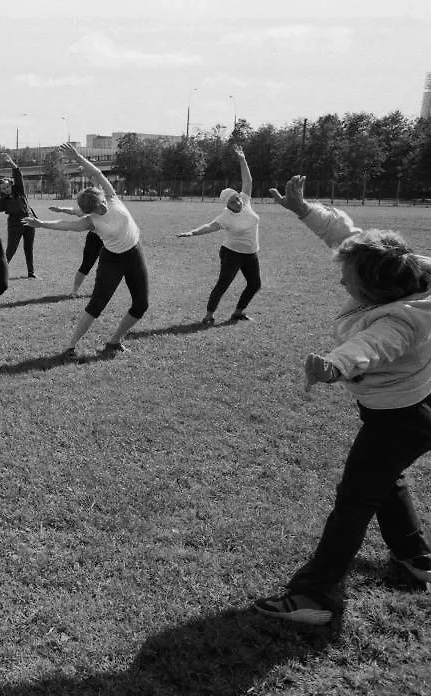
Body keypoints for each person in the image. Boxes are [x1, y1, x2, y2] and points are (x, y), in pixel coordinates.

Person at [253, 175, 431, 626]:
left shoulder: (402, 321)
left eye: (348, 280)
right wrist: (303, 209)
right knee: (384, 480)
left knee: (354, 501)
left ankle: (314, 597)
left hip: (400, 418)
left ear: (373, 290)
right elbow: (348, 237)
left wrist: (332, 364)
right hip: (409, 410)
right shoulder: (399, 269)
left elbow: (369, 347)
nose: (340, 281)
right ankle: (417, 557)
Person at [22, 143, 149, 359]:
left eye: (101, 204)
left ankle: (114, 341)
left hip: (134, 253)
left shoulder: (111, 196)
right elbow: (66, 225)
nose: (102, 209)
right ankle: (70, 346)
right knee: (97, 304)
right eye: (97, 209)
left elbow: (96, 173)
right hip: (112, 260)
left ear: (101, 197)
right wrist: (41, 223)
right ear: (90, 211)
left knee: (141, 304)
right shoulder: (90, 220)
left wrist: (79, 157)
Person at [177, 145, 261, 324]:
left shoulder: (246, 201)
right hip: (232, 253)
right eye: (233, 201)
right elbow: (210, 226)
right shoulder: (225, 217)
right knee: (223, 285)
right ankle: (208, 316)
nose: (237, 201)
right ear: (227, 205)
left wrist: (242, 159)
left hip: (251, 253)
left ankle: (238, 312)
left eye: (237, 198)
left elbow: (248, 181)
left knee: (255, 284)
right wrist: (192, 232)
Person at [0, 152, 37, 279]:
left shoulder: (19, 190)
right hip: (15, 225)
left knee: (29, 248)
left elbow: (17, 173)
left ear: (11, 185)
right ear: (0, 191)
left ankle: (31, 273)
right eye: (3, 189)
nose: (6, 189)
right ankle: (0, 273)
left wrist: (11, 162)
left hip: (30, 221)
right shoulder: (2, 201)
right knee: (11, 250)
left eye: (7, 187)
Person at [47, 204, 104, 297]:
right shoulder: (94, 205)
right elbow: (76, 211)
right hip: (94, 238)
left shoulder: (111, 206)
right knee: (86, 264)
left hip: (109, 239)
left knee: (105, 266)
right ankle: (74, 291)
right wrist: (61, 209)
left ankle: (100, 291)